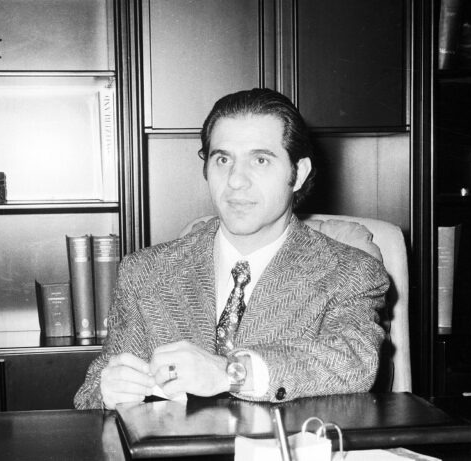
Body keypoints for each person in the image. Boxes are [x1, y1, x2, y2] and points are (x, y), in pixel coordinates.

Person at [74, 88, 389, 410]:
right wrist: (106, 393)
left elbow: (354, 361)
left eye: (260, 160)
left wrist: (230, 372)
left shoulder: (350, 273)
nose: (236, 180)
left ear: (298, 174)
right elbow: (91, 393)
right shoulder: (144, 272)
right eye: (223, 159)